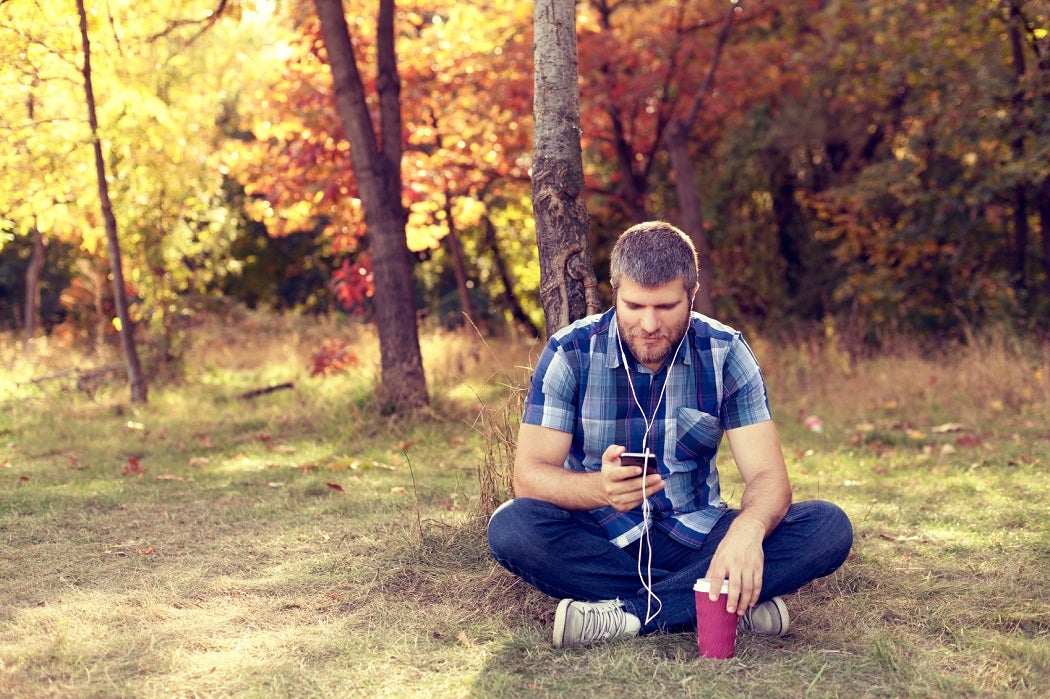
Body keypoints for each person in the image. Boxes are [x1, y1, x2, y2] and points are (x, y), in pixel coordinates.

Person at [487, 221, 853, 648]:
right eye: (634, 305)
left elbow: (769, 477)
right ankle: (718, 603)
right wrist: (600, 489)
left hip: (697, 536)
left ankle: (625, 616)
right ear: (615, 292)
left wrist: (748, 530)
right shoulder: (570, 352)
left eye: (665, 306)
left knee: (827, 527)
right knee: (512, 527)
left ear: (692, 295)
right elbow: (529, 476)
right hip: (599, 538)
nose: (648, 323)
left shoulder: (725, 352)